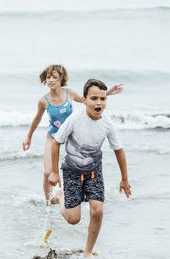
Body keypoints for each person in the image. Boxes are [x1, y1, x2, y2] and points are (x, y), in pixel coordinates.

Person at [48, 79, 131, 259]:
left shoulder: (107, 124)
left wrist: (124, 179)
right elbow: (56, 142)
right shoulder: (75, 119)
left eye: (103, 98)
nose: (99, 103)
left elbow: (119, 150)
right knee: (73, 219)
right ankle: (60, 197)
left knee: (98, 210)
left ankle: (87, 253)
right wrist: (54, 172)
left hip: (94, 171)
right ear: (84, 100)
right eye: (94, 98)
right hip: (71, 171)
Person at [22, 65, 123, 204]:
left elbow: (88, 100)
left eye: (55, 77)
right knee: (47, 172)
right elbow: (37, 119)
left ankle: (68, 194)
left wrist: (108, 93)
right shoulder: (43, 101)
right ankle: (48, 201)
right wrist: (28, 137)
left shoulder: (69, 93)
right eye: (48, 77)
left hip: (71, 139)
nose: (51, 80)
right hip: (53, 137)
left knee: (71, 167)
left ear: (61, 79)